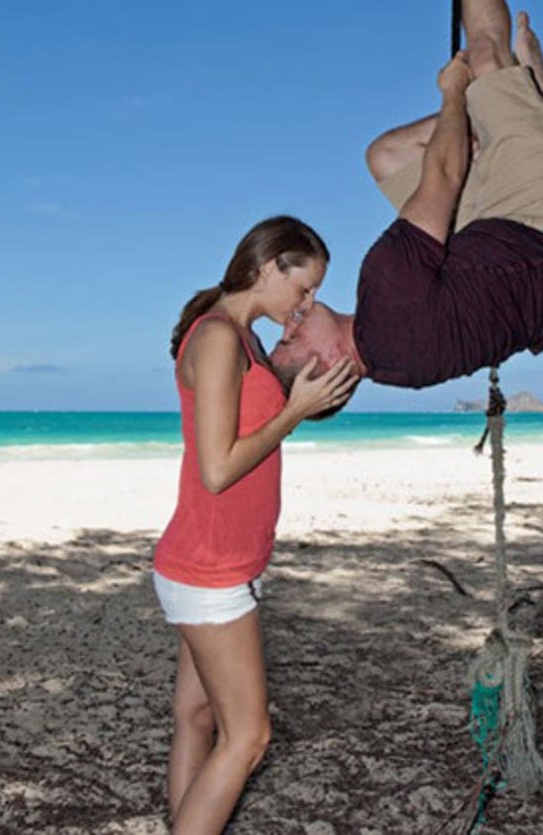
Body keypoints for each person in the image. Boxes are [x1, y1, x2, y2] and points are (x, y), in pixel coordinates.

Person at [270, 0, 543, 398]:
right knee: (485, 57)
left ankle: (514, 100)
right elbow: (446, 175)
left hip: (499, 239)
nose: (286, 327)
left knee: (385, 156)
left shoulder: (396, 370)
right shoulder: (387, 293)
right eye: (290, 344)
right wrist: (455, 93)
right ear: (331, 366)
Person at [153, 215, 357, 834]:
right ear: (269, 266)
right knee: (249, 737)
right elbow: (217, 469)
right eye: (304, 288)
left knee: (198, 718)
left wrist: (311, 398)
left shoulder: (241, 337)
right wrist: (294, 413)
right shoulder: (218, 337)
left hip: (219, 564)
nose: (307, 304)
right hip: (209, 568)